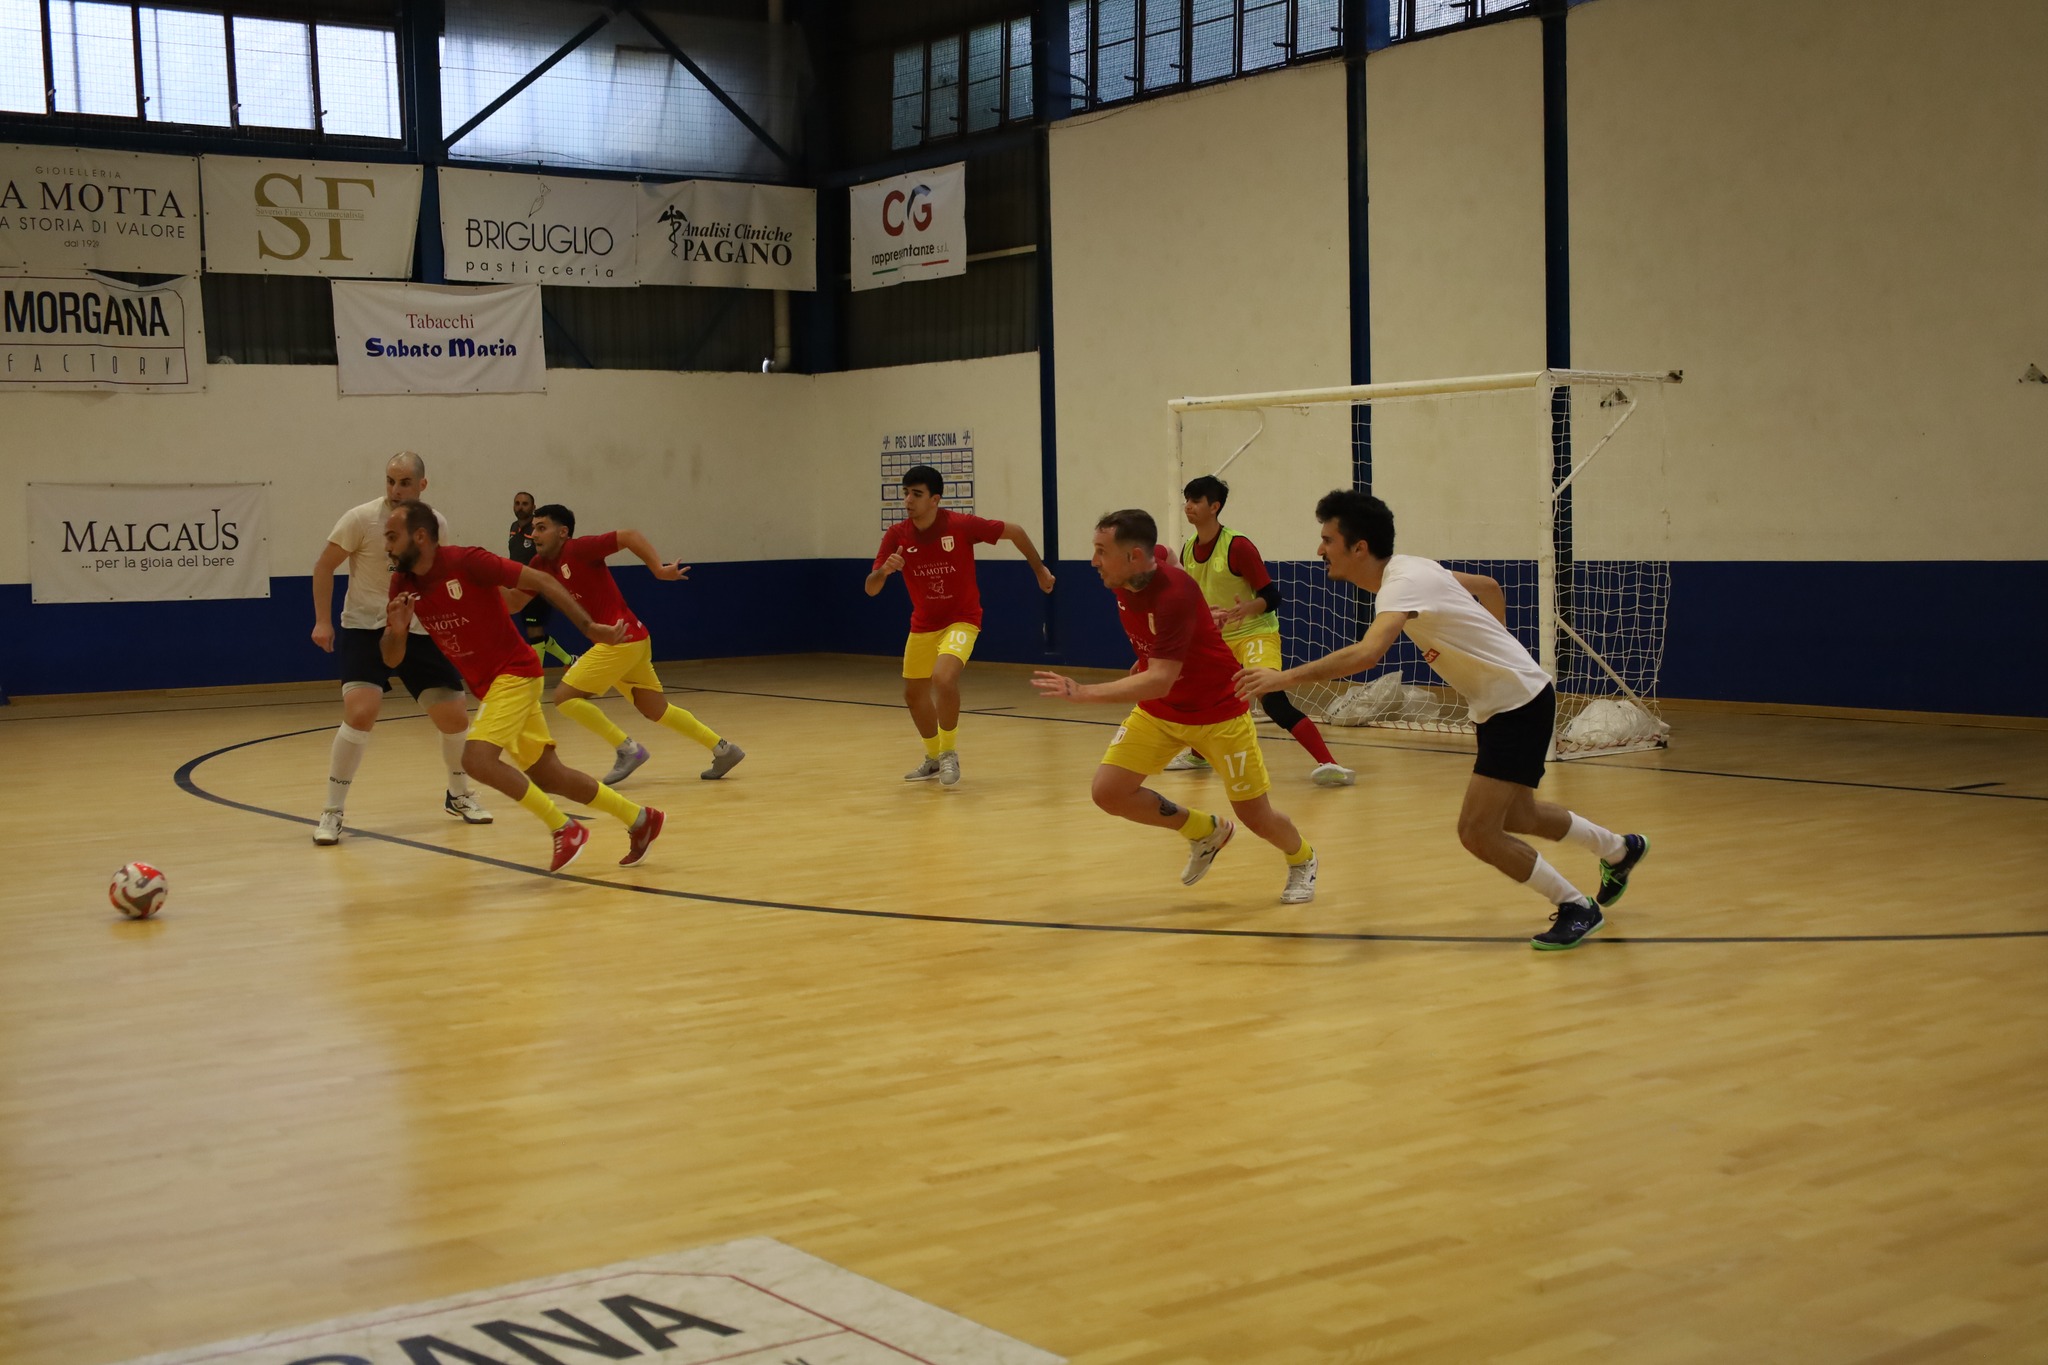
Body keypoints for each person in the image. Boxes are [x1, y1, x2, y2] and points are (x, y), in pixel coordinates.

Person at [1236, 490, 1649, 949]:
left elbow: (1368, 654)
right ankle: (1619, 849)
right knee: (1520, 814)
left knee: (1477, 832)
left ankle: (1575, 906)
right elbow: (1489, 586)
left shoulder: (1402, 584)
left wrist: (1283, 678)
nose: (1320, 550)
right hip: (1509, 701)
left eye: (1328, 540)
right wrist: (1498, 650)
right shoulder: (1415, 567)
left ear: (1359, 547)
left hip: (1517, 705)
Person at [1031, 509, 1318, 905]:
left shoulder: (1172, 595)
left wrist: (1083, 692)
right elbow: (1164, 553)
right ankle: (1205, 830)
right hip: (1161, 712)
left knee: (1256, 816)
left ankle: (1302, 858)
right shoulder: (1133, 571)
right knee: (1109, 792)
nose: (1093, 561)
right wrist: (1198, 618)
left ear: (1133, 556)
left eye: (1101, 551)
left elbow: (1159, 679)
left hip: (1219, 713)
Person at [383, 502, 663, 874]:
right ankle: (639, 818)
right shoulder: (402, 584)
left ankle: (564, 827)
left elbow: (544, 581)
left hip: (514, 673)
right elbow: (391, 657)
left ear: (419, 537)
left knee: (475, 760)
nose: (386, 546)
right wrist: (397, 631)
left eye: (392, 537)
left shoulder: (467, 561)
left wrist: (590, 628)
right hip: (491, 686)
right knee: (549, 775)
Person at [308, 451, 491, 847]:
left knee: (455, 717)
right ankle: (332, 810)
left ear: (422, 485)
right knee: (361, 713)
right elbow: (324, 566)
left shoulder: (435, 522)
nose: (395, 489)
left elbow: (440, 576)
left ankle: (459, 794)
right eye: (390, 481)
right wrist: (323, 621)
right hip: (365, 628)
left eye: (405, 482)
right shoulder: (360, 519)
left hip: (418, 629)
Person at [506, 503, 745, 785]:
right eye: (534, 529)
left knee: (564, 698)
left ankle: (627, 749)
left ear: (563, 532)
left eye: (541, 528)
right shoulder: (539, 565)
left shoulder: (579, 549)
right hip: (633, 640)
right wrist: (479, 589)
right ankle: (723, 749)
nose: (534, 534)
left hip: (621, 639)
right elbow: (514, 602)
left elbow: (629, 536)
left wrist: (658, 569)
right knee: (657, 710)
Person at [865, 464, 1055, 787]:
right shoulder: (897, 535)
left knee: (943, 677)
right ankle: (933, 758)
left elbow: (1015, 531)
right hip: (923, 625)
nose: (908, 500)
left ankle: (949, 753)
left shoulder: (960, 525)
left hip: (962, 620)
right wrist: (884, 571)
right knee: (913, 695)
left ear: (935, 499)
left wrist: (1040, 570)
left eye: (917, 494)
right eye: (906, 493)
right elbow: (871, 588)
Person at [1165, 475, 1354, 787]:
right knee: (1200, 696)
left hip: (1255, 632)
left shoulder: (1237, 546)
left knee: (1273, 700)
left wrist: (1246, 608)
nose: (1188, 506)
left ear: (1214, 507)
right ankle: (1198, 756)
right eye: (1186, 500)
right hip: (1218, 638)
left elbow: (1272, 596)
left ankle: (1329, 763)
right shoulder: (1187, 550)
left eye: (1196, 500)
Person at [508, 491, 575, 668]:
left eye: (525, 504)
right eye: (517, 503)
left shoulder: (538, 531)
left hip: (538, 586)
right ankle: (569, 660)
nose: (520, 507)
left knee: (534, 630)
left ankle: (535, 675)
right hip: (520, 586)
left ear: (533, 507)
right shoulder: (514, 527)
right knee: (535, 633)